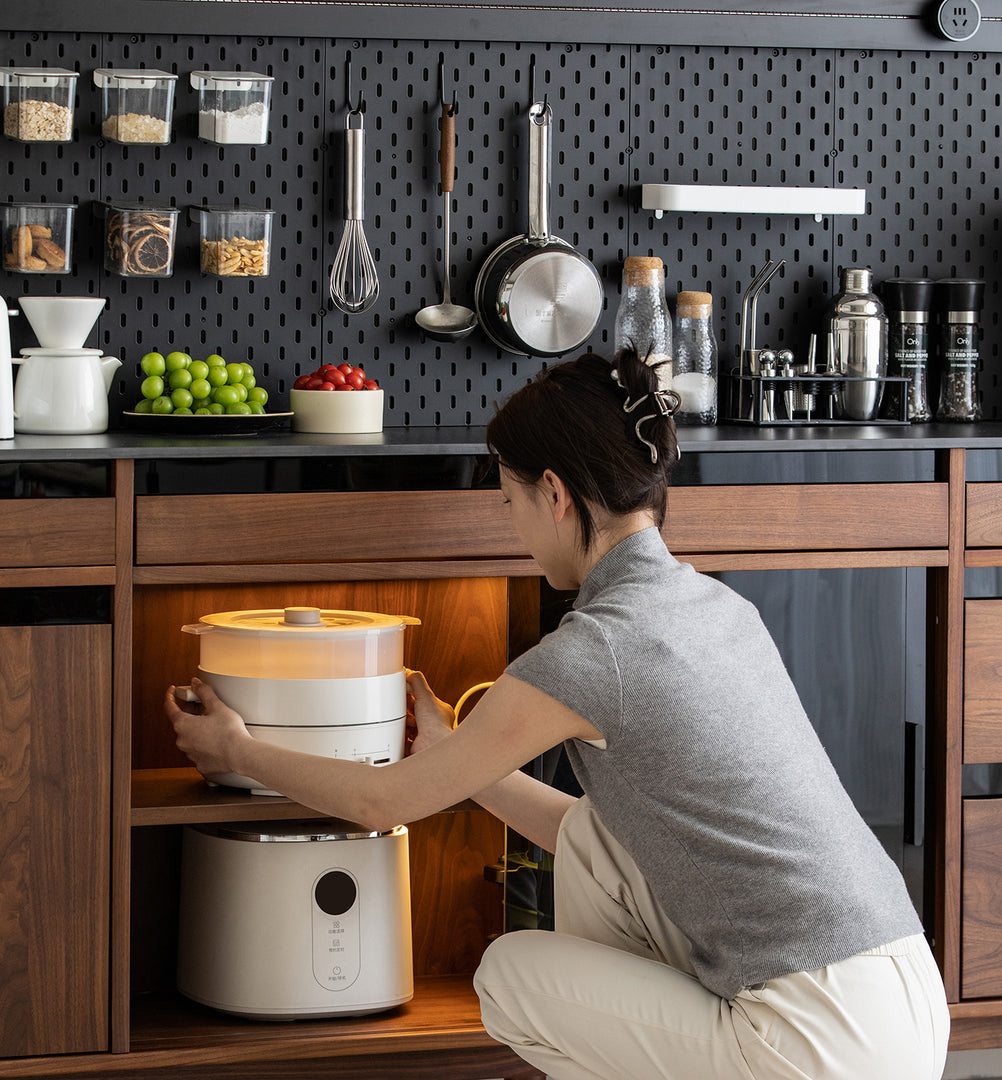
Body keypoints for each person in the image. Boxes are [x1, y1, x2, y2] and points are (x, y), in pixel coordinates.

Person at [166, 347, 950, 1080]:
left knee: (509, 973)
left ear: (554, 493)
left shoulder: (594, 651)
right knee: (605, 842)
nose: (513, 524)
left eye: (509, 500)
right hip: (906, 996)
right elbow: (584, 835)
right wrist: (457, 752)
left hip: (815, 1039)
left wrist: (238, 749)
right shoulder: (717, 608)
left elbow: (381, 803)